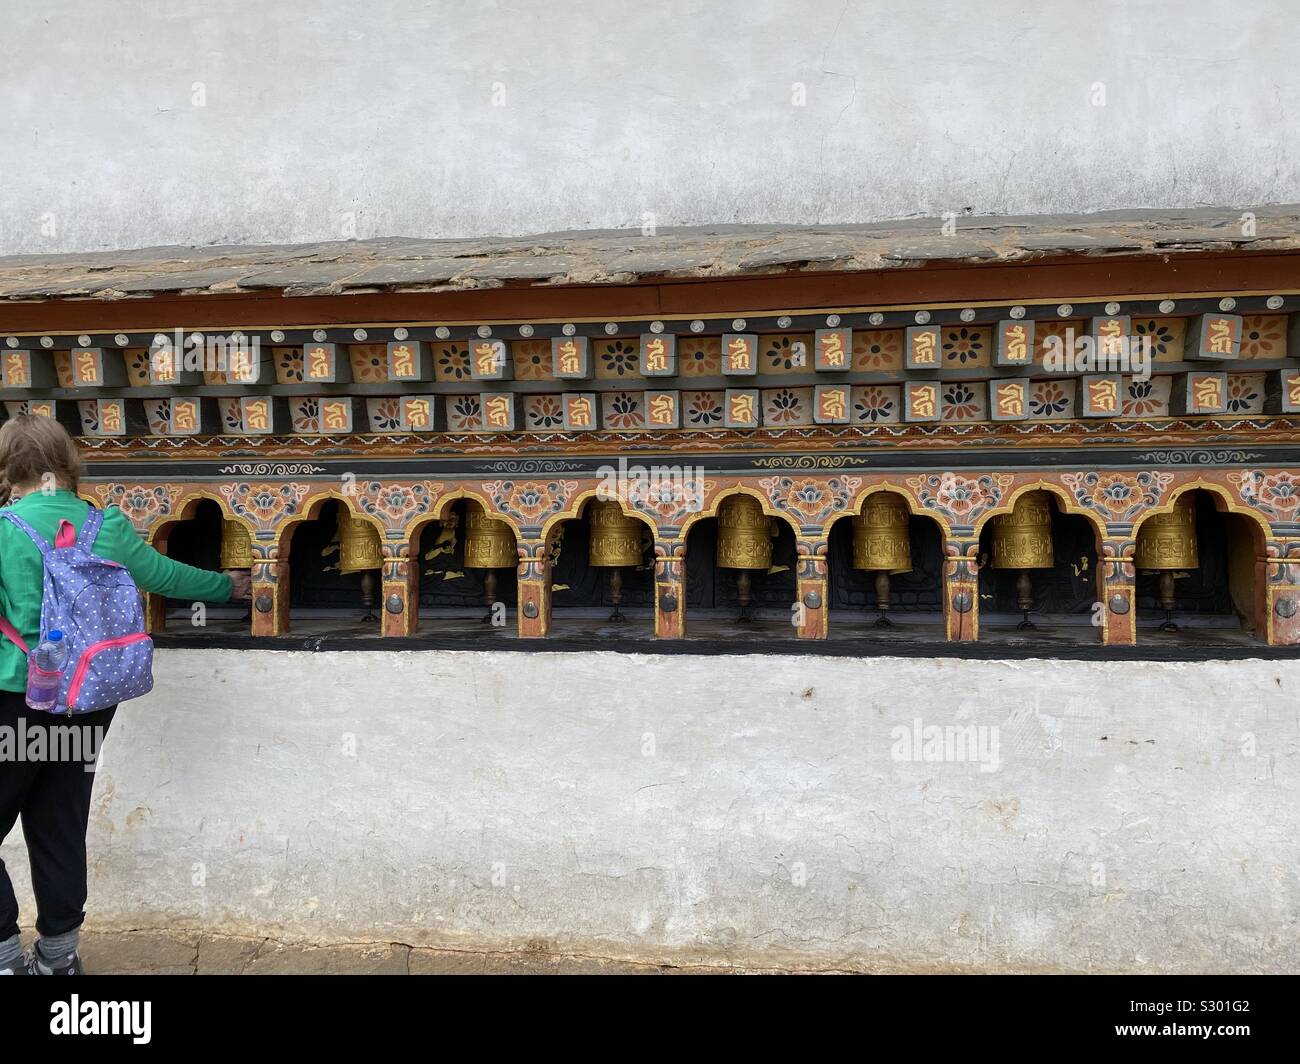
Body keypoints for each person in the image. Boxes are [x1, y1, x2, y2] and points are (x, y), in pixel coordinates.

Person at [0, 414, 250, 975]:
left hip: (18, 697)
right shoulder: (104, 525)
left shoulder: (3, 529)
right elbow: (163, 575)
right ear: (67, 464)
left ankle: (5, 960)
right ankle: (59, 960)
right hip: (89, 696)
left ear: (8, 469)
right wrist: (227, 586)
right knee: (59, 820)